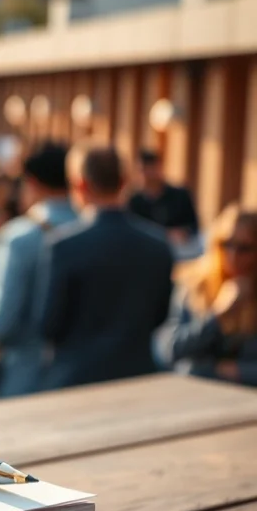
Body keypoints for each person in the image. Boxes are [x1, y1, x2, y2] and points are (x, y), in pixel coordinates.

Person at [38, 147, 175, 390]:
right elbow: (160, 316)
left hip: (77, 377)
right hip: (137, 375)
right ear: (124, 182)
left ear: (80, 185)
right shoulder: (158, 244)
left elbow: (49, 325)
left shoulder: (64, 246)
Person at [0, 143, 78, 397]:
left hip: (28, 371)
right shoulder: (89, 228)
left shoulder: (19, 237)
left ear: (31, 182)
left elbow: (2, 322)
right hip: (83, 374)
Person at [158, 206, 257, 385]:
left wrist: (238, 371)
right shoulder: (195, 285)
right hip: (197, 393)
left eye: (244, 248)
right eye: (226, 244)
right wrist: (218, 315)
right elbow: (170, 350)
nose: (233, 255)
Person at [128, 149, 200, 252]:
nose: (147, 175)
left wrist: (183, 233)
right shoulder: (133, 201)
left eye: (151, 169)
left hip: (178, 251)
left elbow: (194, 227)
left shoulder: (180, 196)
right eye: (143, 170)